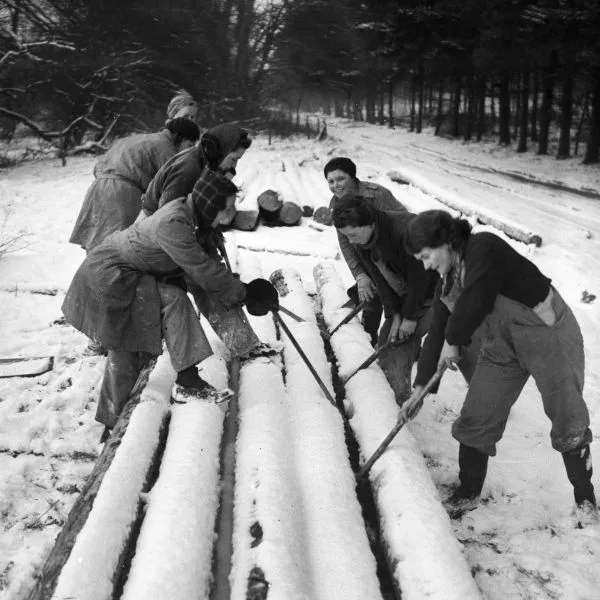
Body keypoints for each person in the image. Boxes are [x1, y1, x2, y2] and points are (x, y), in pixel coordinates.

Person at [403, 209, 596, 519]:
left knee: (566, 414)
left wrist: (456, 340)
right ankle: (468, 492)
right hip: (503, 344)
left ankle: (585, 498)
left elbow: (478, 296)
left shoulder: (484, 247)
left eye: (426, 256)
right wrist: (421, 387)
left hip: (547, 334)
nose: (426, 265)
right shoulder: (449, 279)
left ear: (447, 241)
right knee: (478, 413)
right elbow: (439, 328)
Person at [62, 167, 274, 437]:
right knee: (130, 340)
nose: (231, 215)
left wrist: (239, 298)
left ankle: (210, 365)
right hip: (110, 275)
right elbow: (203, 272)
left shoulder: (195, 218)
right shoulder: (174, 224)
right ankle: (116, 424)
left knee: (166, 309)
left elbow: (209, 275)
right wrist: (243, 292)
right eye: (228, 208)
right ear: (211, 205)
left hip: (134, 273)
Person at [332, 196, 437, 405]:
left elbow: (420, 278)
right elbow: (381, 281)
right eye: (346, 236)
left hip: (439, 291)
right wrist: (395, 315)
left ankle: (404, 404)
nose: (350, 241)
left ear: (368, 224)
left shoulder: (405, 233)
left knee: (400, 347)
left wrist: (409, 318)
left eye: (352, 234)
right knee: (387, 342)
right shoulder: (364, 240)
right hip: (409, 293)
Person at [69, 117, 200, 252]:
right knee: (119, 247)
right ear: (179, 137)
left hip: (97, 188)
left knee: (97, 242)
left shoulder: (136, 139)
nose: (187, 151)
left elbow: (98, 166)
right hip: (122, 194)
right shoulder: (166, 148)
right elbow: (175, 183)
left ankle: (94, 271)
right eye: (189, 145)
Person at [324, 157, 409, 346]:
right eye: (331, 181)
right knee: (369, 297)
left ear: (353, 177)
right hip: (367, 261)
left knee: (398, 303)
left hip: (394, 262)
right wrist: (361, 276)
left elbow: (406, 225)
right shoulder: (336, 205)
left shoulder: (377, 195)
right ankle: (367, 342)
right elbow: (346, 244)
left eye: (340, 179)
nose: (335, 186)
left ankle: (406, 344)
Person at [141, 124, 251, 218]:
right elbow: (167, 217)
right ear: (217, 152)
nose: (234, 165)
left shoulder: (209, 164)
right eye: (233, 159)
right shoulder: (187, 171)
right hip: (151, 223)